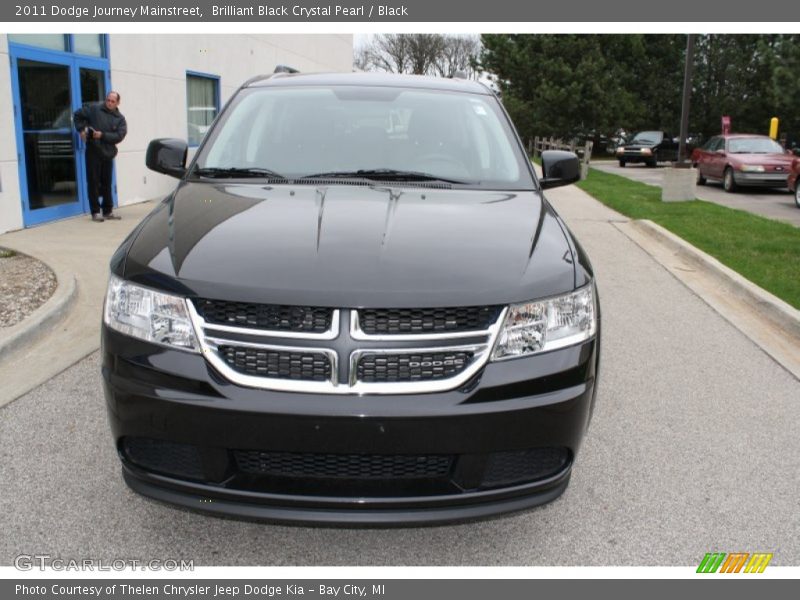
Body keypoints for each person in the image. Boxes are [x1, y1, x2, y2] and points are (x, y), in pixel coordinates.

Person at [73, 91, 127, 222]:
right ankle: (95, 212)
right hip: (93, 151)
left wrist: (102, 135)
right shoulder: (94, 109)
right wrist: (81, 130)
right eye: (108, 100)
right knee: (93, 182)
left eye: (112, 101)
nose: (109, 103)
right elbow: (77, 115)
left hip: (108, 153)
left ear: (118, 103)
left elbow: (119, 136)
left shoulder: (120, 119)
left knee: (107, 182)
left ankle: (108, 210)